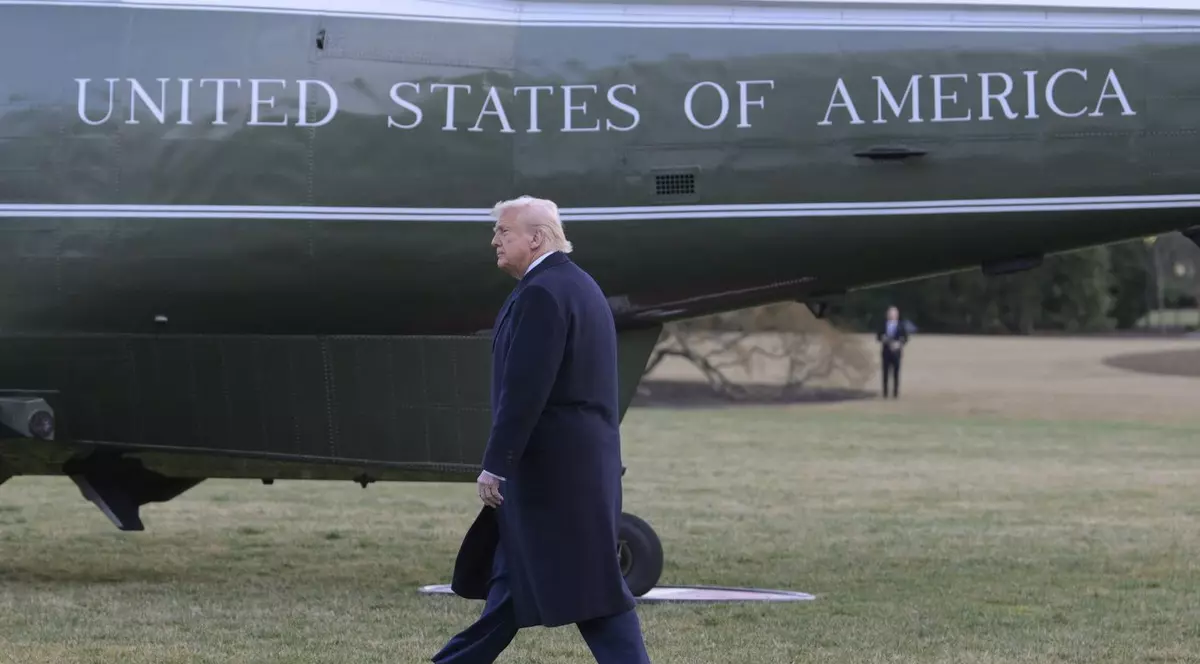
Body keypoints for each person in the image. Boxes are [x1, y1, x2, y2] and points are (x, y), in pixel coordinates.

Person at [431, 196, 651, 664]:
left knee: (596, 596)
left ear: (536, 237)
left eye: (503, 232)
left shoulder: (543, 293)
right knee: (513, 587)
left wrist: (495, 464)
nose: (494, 240)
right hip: (572, 469)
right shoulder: (575, 285)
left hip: (556, 475)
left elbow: (527, 391)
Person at [876, 306, 908, 398]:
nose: (892, 315)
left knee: (896, 373)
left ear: (897, 315)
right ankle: (885, 392)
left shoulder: (901, 325)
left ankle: (895, 393)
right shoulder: (883, 324)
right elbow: (878, 336)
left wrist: (899, 344)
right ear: (887, 315)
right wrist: (883, 339)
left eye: (894, 313)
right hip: (886, 352)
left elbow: (905, 338)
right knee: (885, 373)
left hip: (897, 353)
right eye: (890, 313)